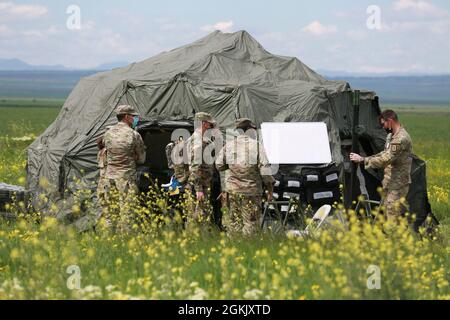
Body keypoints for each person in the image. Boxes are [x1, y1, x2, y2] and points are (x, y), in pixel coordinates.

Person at [350, 109, 412, 223]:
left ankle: (394, 239)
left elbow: (385, 160)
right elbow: (383, 153)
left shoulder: (400, 139)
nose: (383, 127)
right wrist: (365, 159)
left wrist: (363, 160)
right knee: (388, 214)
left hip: (398, 183)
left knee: (393, 217)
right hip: (389, 181)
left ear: (390, 120)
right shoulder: (391, 136)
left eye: (383, 123)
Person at [215, 118, 275, 237]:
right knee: (251, 223)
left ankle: (234, 249)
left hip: (233, 192)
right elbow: (265, 169)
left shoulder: (229, 146)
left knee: (234, 223)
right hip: (251, 192)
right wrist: (270, 184)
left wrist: (233, 166)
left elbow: (219, 165)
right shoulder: (257, 146)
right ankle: (249, 250)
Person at [103, 105, 146, 231]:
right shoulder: (133, 135)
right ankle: (126, 240)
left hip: (109, 177)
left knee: (110, 212)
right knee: (127, 212)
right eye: (133, 116)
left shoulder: (108, 133)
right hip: (126, 178)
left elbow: (106, 153)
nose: (134, 119)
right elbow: (142, 159)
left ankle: (107, 239)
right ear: (126, 117)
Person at [185, 112, 217, 229]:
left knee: (201, 216)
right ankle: (193, 242)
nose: (210, 126)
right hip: (198, 185)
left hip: (202, 184)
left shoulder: (202, 139)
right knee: (196, 217)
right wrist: (198, 189)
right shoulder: (197, 140)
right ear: (204, 123)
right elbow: (195, 166)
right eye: (209, 123)